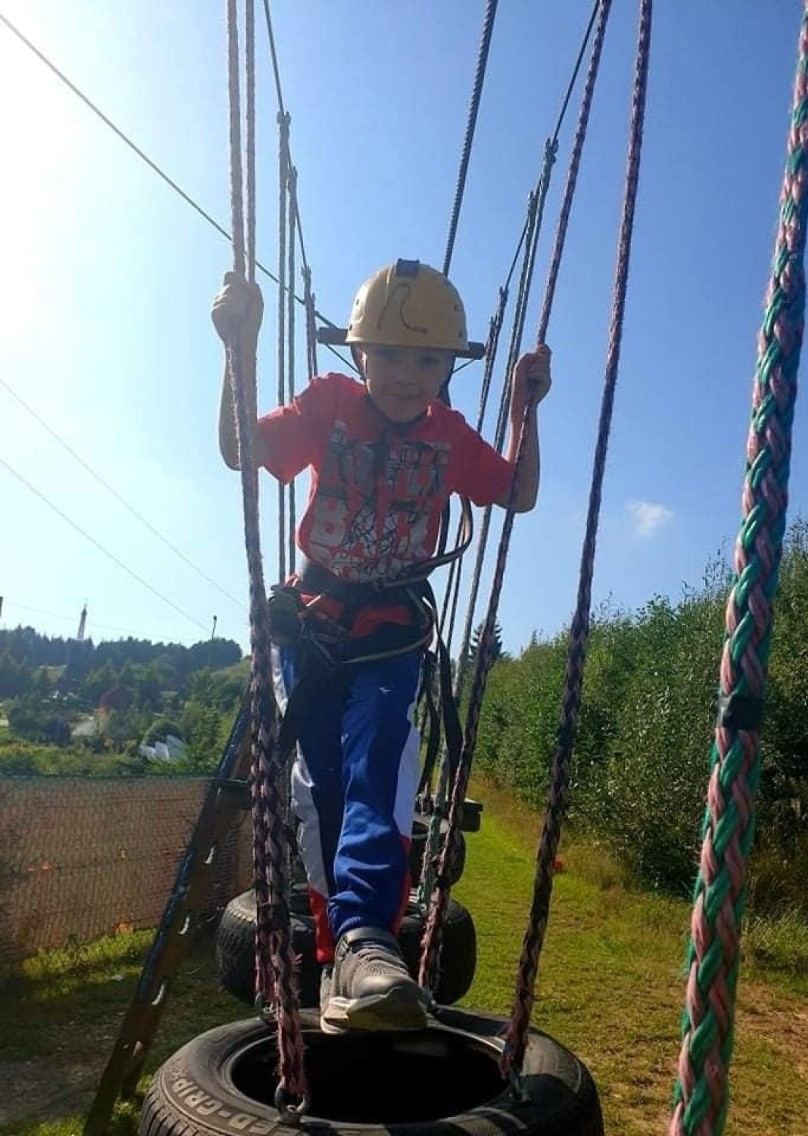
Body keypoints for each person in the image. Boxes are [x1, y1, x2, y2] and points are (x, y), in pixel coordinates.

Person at [213, 259, 551, 1035]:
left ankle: (367, 940)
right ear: (358, 355)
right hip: (315, 621)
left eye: (428, 360)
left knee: (376, 766)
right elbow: (241, 449)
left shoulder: (448, 434)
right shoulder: (328, 405)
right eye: (392, 356)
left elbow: (516, 493)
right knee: (318, 791)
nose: (408, 376)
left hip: (392, 631)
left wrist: (522, 410)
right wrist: (240, 346)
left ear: (447, 367)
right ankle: (340, 954)